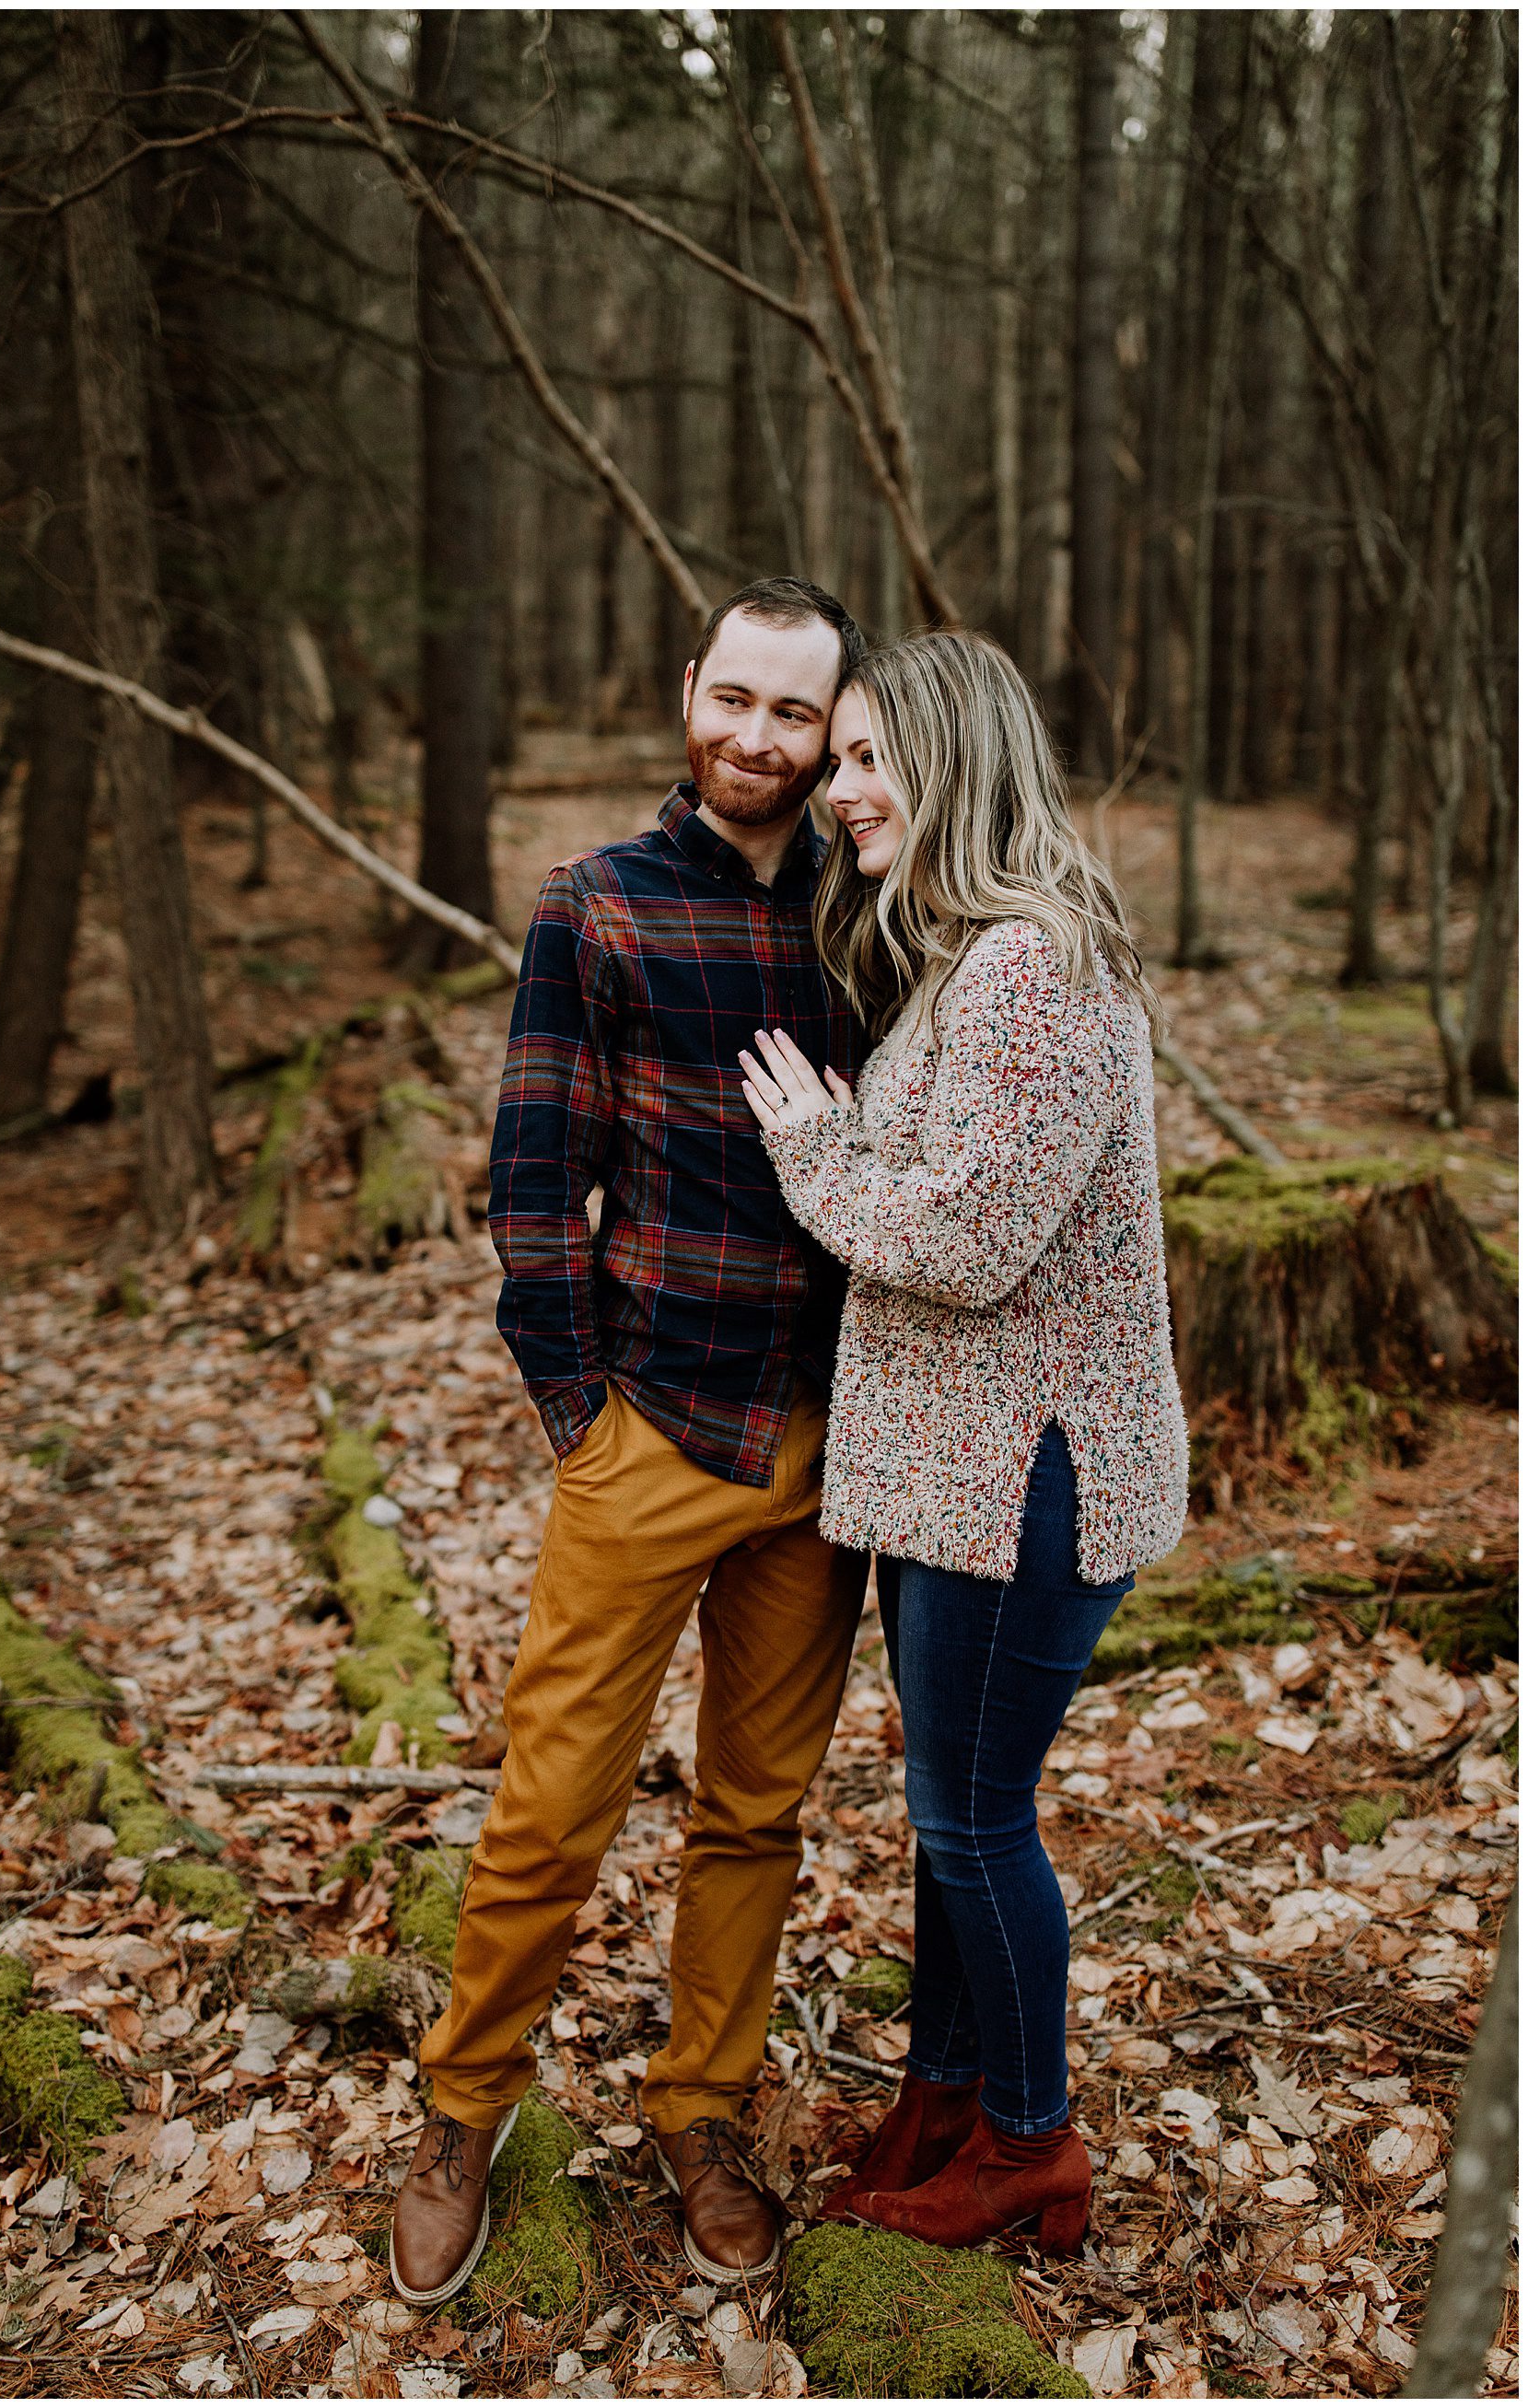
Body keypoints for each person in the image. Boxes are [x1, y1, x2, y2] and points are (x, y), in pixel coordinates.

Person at [391, 578, 872, 2308]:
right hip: (650, 1428)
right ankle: (464, 2107)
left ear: (834, 732)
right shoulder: (592, 909)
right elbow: (534, 1186)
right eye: (732, 698)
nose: (755, 737)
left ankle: (702, 2111)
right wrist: (576, 1416)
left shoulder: (871, 917)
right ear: (691, 693)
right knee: (552, 1805)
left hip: (828, 1447)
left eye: (793, 714)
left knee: (755, 1812)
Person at [740, 630, 1187, 2257]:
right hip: (965, 1468)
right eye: (836, 757)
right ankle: (945, 2089)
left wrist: (809, 1149)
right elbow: (953, 1184)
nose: (839, 789)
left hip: (1030, 1474)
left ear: (958, 759)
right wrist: (858, 1146)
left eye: (869, 759)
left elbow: (971, 1237)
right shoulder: (969, 947)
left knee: (976, 1820)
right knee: (951, 1810)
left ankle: (1027, 2143)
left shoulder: (1032, 960)